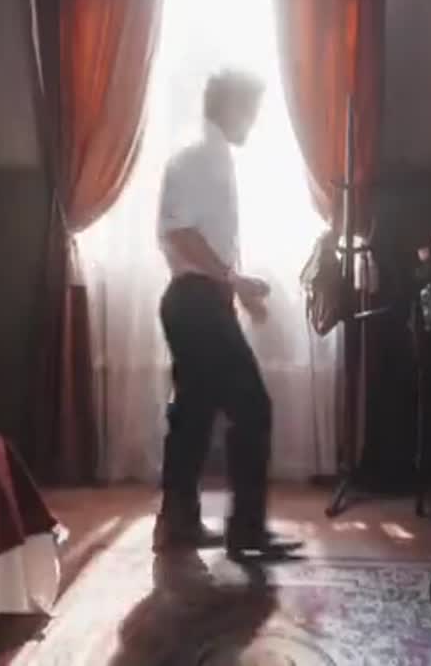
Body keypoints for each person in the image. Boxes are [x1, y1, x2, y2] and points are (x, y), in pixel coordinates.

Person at [153, 68, 302, 559]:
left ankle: (177, 524)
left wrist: (236, 292)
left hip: (197, 302)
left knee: (193, 414)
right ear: (231, 107)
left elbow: (199, 239)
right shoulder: (200, 160)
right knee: (252, 409)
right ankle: (246, 530)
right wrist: (233, 282)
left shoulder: (210, 159)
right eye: (251, 111)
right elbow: (180, 233)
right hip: (195, 303)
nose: (252, 122)